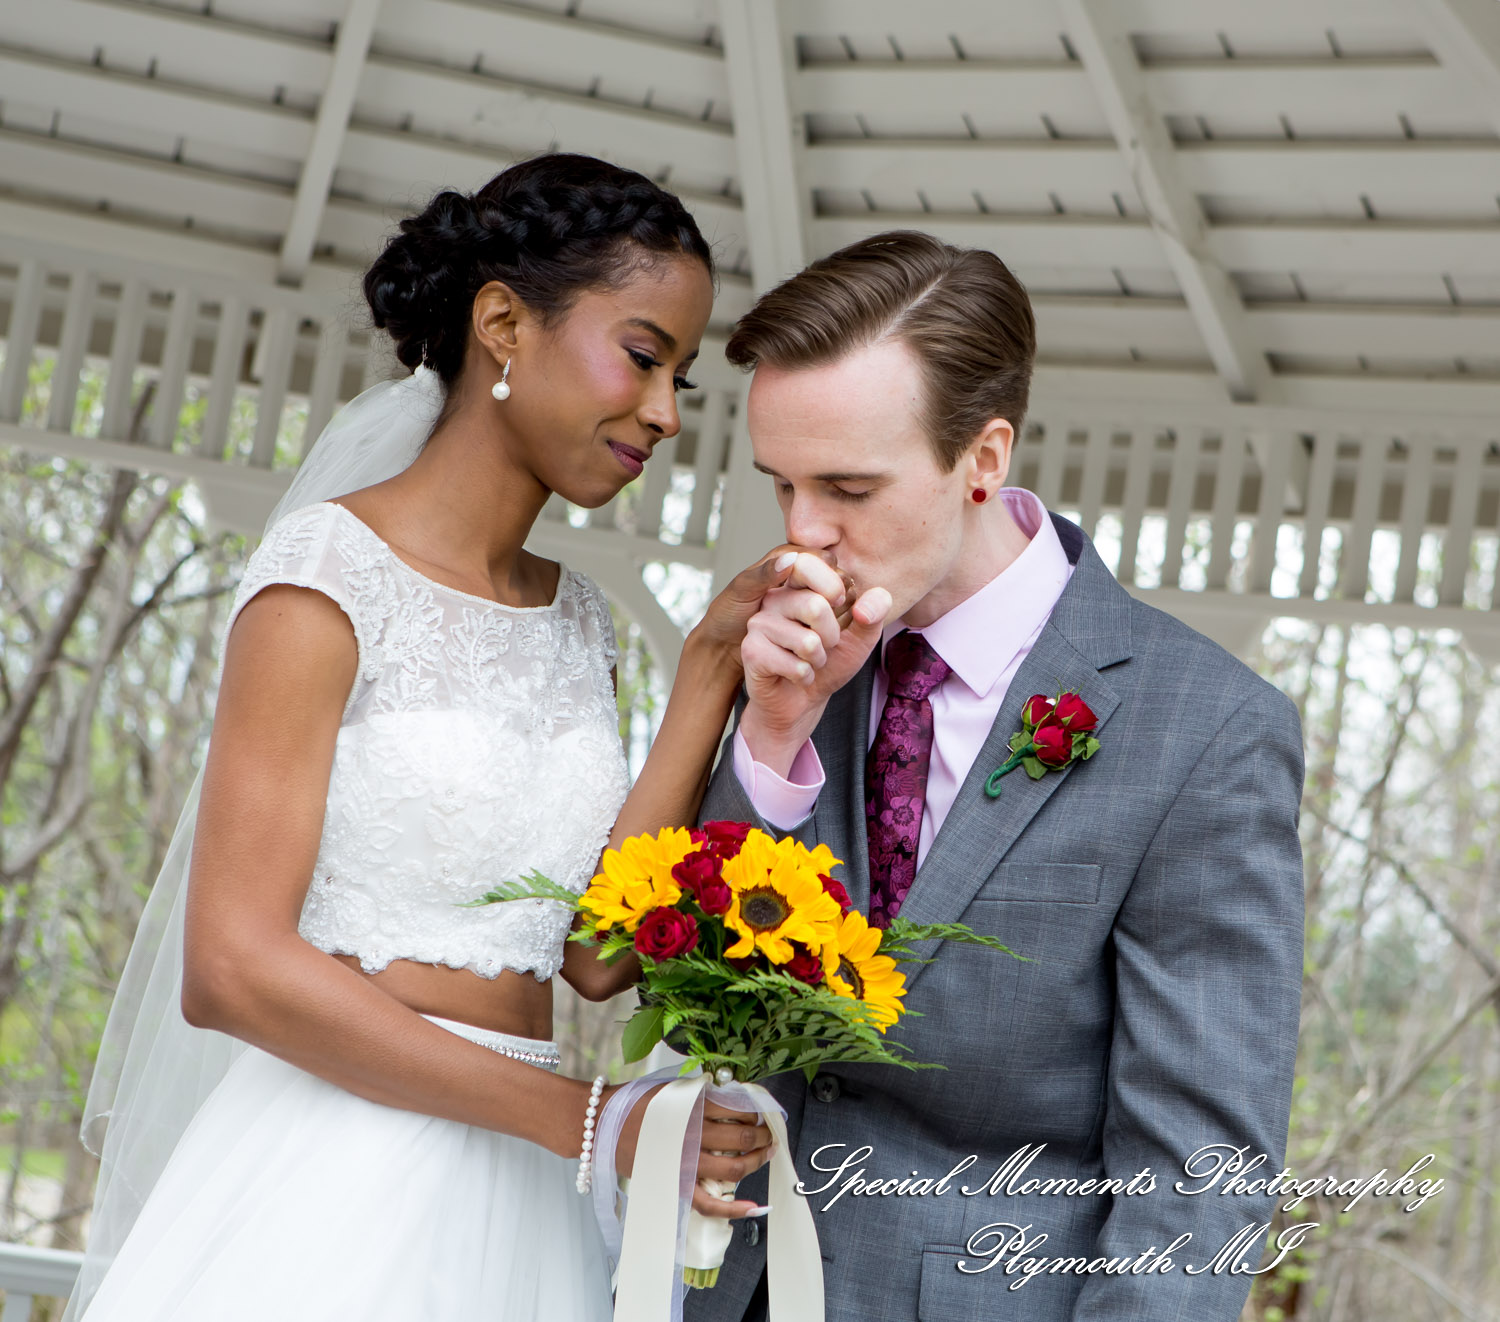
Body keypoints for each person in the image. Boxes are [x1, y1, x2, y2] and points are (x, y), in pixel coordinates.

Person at [63, 153, 844, 1321]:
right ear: (501, 325)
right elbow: (228, 966)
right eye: (643, 355)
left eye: (680, 376)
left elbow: (591, 955)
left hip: (528, 1191)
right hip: (335, 1181)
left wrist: (706, 678)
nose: (668, 414)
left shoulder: (580, 621)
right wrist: (588, 1118)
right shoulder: (324, 580)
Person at [680, 230, 1307, 1321]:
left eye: (848, 486)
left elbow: (1196, 1179)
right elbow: (694, 1004)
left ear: (984, 456)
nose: (801, 535)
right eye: (781, 483)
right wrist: (773, 742)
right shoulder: (778, 656)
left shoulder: (1207, 729)